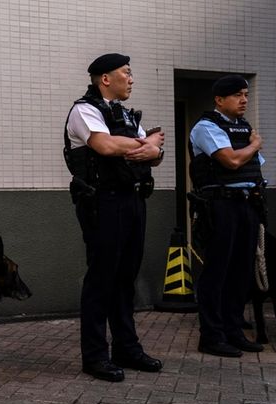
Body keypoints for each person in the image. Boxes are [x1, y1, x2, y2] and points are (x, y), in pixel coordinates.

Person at [63, 54, 165, 382]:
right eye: (127, 73)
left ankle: (127, 348)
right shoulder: (85, 110)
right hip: (101, 203)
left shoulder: (124, 113)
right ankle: (95, 356)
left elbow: (155, 153)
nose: (132, 79)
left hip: (132, 200)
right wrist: (145, 144)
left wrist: (154, 150)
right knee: (101, 279)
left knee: (125, 278)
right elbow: (104, 145)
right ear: (105, 78)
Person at [189, 75, 265, 357]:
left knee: (241, 271)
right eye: (237, 95)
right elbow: (231, 160)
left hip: (246, 204)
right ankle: (211, 336)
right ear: (219, 100)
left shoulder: (243, 128)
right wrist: (254, 146)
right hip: (219, 206)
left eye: (245, 94)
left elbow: (252, 166)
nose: (244, 99)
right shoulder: (207, 127)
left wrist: (250, 149)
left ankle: (233, 331)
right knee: (217, 271)